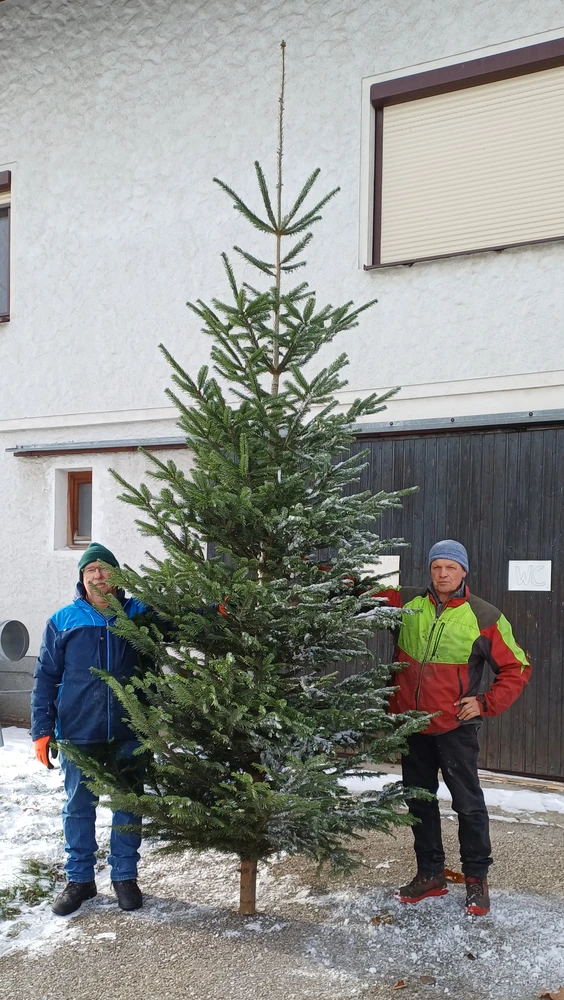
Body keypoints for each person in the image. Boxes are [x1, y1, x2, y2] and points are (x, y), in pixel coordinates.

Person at [380, 539, 531, 916]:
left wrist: (483, 702)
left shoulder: (485, 617)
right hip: (412, 725)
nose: (442, 574)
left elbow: (517, 668)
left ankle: (477, 879)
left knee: (468, 804)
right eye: (436, 567)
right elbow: (356, 591)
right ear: (430, 570)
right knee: (420, 801)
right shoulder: (406, 601)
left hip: (454, 728)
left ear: (464, 571)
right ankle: (430, 874)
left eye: (450, 567)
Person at [31, 543, 149, 916]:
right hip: (79, 731)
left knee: (128, 805)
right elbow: (46, 677)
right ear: (82, 578)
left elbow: (179, 621)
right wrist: (41, 730)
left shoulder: (137, 614)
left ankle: (124, 877)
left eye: (104, 569)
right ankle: (80, 879)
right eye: (90, 570)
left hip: (130, 730)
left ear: (117, 576)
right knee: (78, 808)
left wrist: (218, 610)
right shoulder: (64, 620)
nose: (98, 576)